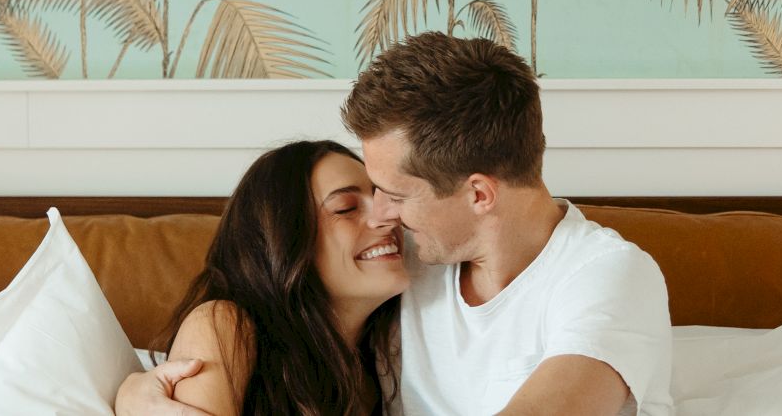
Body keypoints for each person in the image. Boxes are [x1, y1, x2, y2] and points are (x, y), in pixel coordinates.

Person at [121, 32, 673, 415]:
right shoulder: (409, 260)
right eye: (357, 200)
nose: (383, 216)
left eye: (396, 194)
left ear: (478, 194)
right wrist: (135, 393)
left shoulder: (606, 276)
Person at [151, 140, 409, 415]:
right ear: (285, 242)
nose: (389, 217)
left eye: (385, 199)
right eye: (345, 208)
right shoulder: (221, 326)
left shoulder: (379, 360)